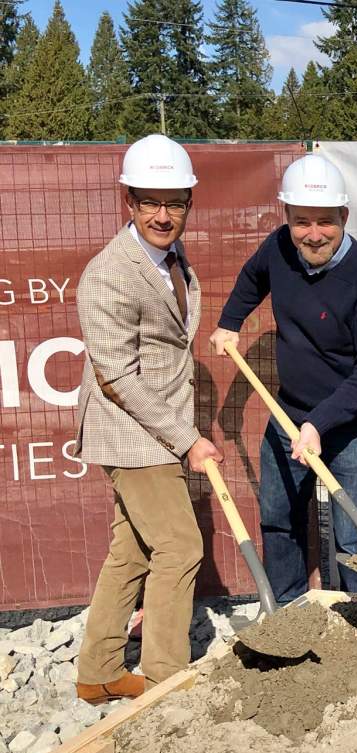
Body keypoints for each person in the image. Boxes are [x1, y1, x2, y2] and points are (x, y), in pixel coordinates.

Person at [209, 154, 357, 605]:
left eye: (325, 222)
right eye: (301, 222)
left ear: (344, 217)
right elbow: (253, 278)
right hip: (289, 412)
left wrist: (320, 424)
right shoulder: (277, 248)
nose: (313, 234)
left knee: (354, 538)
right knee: (278, 519)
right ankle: (289, 613)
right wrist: (230, 321)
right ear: (287, 219)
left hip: (353, 426)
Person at [74, 135, 222, 703]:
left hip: (156, 426)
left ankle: (99, 672)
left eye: (175, 203)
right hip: (131, 433)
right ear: (128, 203)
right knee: (181, 547)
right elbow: (116, 376)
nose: (163, 215)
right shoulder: (111, 272)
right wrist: (187, 439)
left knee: (131, 550)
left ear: (188, 203)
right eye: (150, 203)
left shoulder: (170, 260)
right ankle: (165, 684)